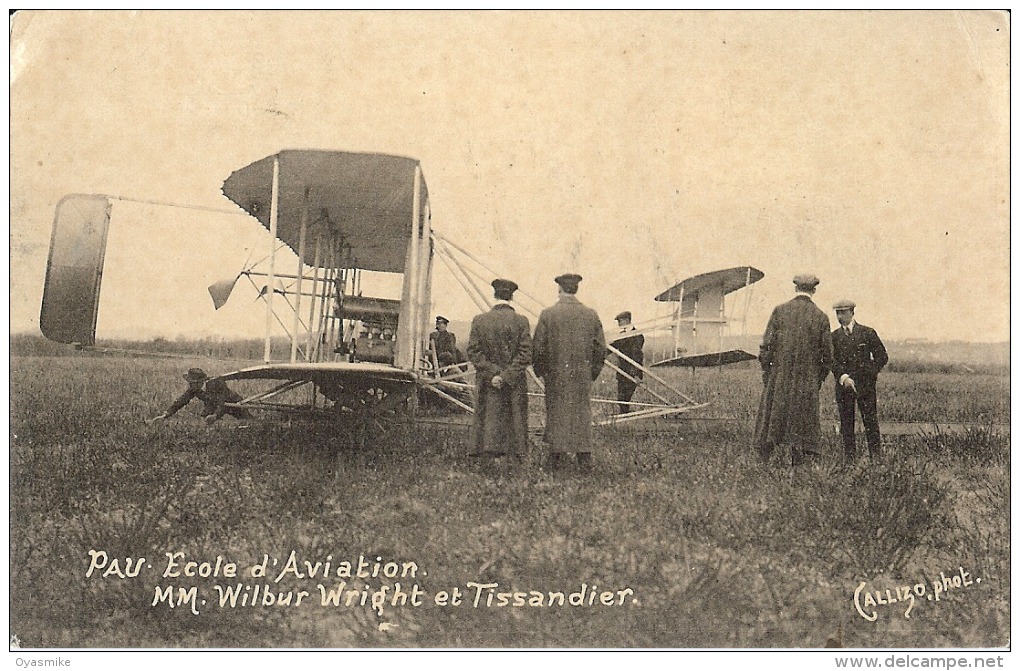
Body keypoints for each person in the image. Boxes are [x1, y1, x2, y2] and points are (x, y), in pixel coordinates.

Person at [752, 274, 833, 465]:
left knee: (772, 418)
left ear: (796, 289)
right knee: (803, 421)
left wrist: (769, 373)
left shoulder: (780, 311)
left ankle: (765, 461)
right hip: (807, 381)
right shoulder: (821, 317)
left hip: (778, 377)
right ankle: (799, 463)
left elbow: (766, 347)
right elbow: (827, 357)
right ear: (814, 290)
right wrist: (817, 379)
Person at [532, 273, 606, 471]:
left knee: (556, 412)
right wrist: (591, 374)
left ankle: (556, 455)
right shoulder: (591, 314)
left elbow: (538, 347)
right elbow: (600, 349)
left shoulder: (548, 314)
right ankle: (584, 456)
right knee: (581, 412)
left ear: (559, 289)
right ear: (576, 289)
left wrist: (542, 370)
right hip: (582, 375)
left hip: (556, 375)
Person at [465, 279, 533, 460]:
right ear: (512, 297)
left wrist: (493, 374)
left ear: (494, 294)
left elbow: (473, 351)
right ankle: (515, 457)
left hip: (488, 381)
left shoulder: (479, 320)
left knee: (488, 416)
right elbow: (525, 354)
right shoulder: (521, 321)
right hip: (514, 381)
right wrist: (506, 375)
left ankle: (486, 455)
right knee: (515, 418)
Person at [831, 299, 889, 462]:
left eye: (843, 312)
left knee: (871, 422)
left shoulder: (867, 333)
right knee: (846, 424)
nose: (840, 316)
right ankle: (849, 460)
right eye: (838, 313)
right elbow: (830, 361)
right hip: (844, 387)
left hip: (866, 387)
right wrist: (844, 377)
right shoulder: (833, 337)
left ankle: (876, 459)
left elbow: (882, 357)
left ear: (852, 312)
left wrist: (868, 374)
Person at [149, 368, 252, 424]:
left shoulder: (216, 383)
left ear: (201, 381)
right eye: (190, 382)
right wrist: (166, 415)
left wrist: (216, 415)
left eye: (193, 382)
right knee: (205, 419)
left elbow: (223, 401)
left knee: (247, 421)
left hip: (232, 403)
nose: (191, 385)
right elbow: (181, 401)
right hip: (213, 403)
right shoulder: (194, 388)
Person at [610, 310, 644, 414]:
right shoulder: (622, 335)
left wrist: (635, 374)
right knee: (621, 396)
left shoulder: (637, 335)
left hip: (632, 371)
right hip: (622, 371)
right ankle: (624, 413)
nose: (619, 324)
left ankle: (624, 414)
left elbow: (636, 355)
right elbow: (612, 347)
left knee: (626, 395)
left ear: (626, 320)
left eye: (620, 321)